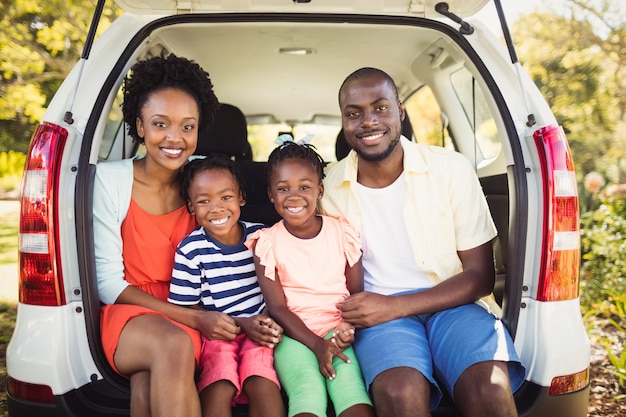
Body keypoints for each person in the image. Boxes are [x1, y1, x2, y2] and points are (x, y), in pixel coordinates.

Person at [322, 67, 526, 417]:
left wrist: (397, 306)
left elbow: (480, 277)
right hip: (380, 318)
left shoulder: (451, 169)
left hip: (455, 304)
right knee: (400, 392)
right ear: (343, 121)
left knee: (488, 387)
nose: (368, 121)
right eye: (353, 113)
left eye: (380, 107)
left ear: (400, 110)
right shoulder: (328, 186)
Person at [93, 54, 238, 417]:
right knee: (171, 345)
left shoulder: (203, 185)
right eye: (161, 124)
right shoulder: (110, 182)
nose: (175, 138)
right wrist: (193, 319)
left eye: (187, 127)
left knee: (144, 389)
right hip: (128, 313)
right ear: (140, 126)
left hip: (188, 310)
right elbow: (108, 285)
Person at [245, 136, 375, 417]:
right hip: (293, 337)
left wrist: (346, 330)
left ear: (320, 190)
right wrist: (316, 344)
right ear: (271, 195)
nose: (294, 196)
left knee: (352, 390)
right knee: (307, 391)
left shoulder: (342, 233)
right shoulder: (267, 242)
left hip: (338, 332)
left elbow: (356, 295)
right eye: (283, 188)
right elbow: (277, 307)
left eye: (304, 187)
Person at [167, 154, 285, 417]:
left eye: (225, 197)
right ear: (190, 206)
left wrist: (269, 321)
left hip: (261, 330)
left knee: (261, 383)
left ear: (241, 197)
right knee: (218, 384)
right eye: (204, 201)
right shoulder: (191, 250)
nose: (216, 208)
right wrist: (236, 323)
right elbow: (186, 307)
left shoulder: (261, 237)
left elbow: (281, 289)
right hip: (218, 334)